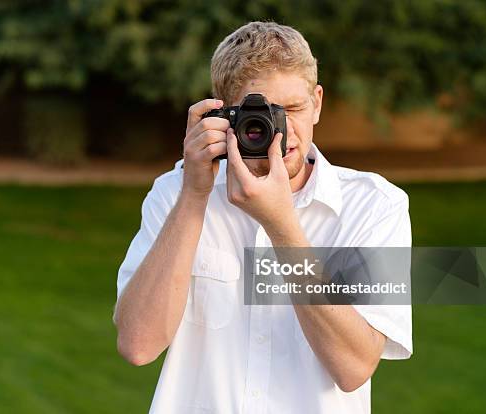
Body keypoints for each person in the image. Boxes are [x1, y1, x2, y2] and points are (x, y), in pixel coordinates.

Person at [113, 21, 412, 414]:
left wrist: (281, 224)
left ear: (317, 103)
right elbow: (137, 345)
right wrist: (194, 194)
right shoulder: (175, 193)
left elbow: (354, 367)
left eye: (293, 109)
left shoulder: (375, 205)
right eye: (264, 114)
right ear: (223, 112)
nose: (280, 132)